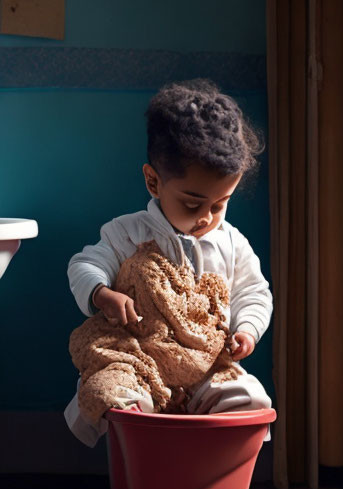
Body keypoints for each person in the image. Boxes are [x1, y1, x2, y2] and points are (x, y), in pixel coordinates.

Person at [64, 79, 272, 447]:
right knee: (117, 399)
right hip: (139, 361)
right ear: (153, 182)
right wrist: (101, 293)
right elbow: (84, 263)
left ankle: (202, 480)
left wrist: (247, 330)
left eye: (220, 204)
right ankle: (146, 475)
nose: (207, 217)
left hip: (206, 368)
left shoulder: (232, 244)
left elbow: (254, 292)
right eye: (193, 204)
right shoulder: (126, 234)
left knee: (250, 399)